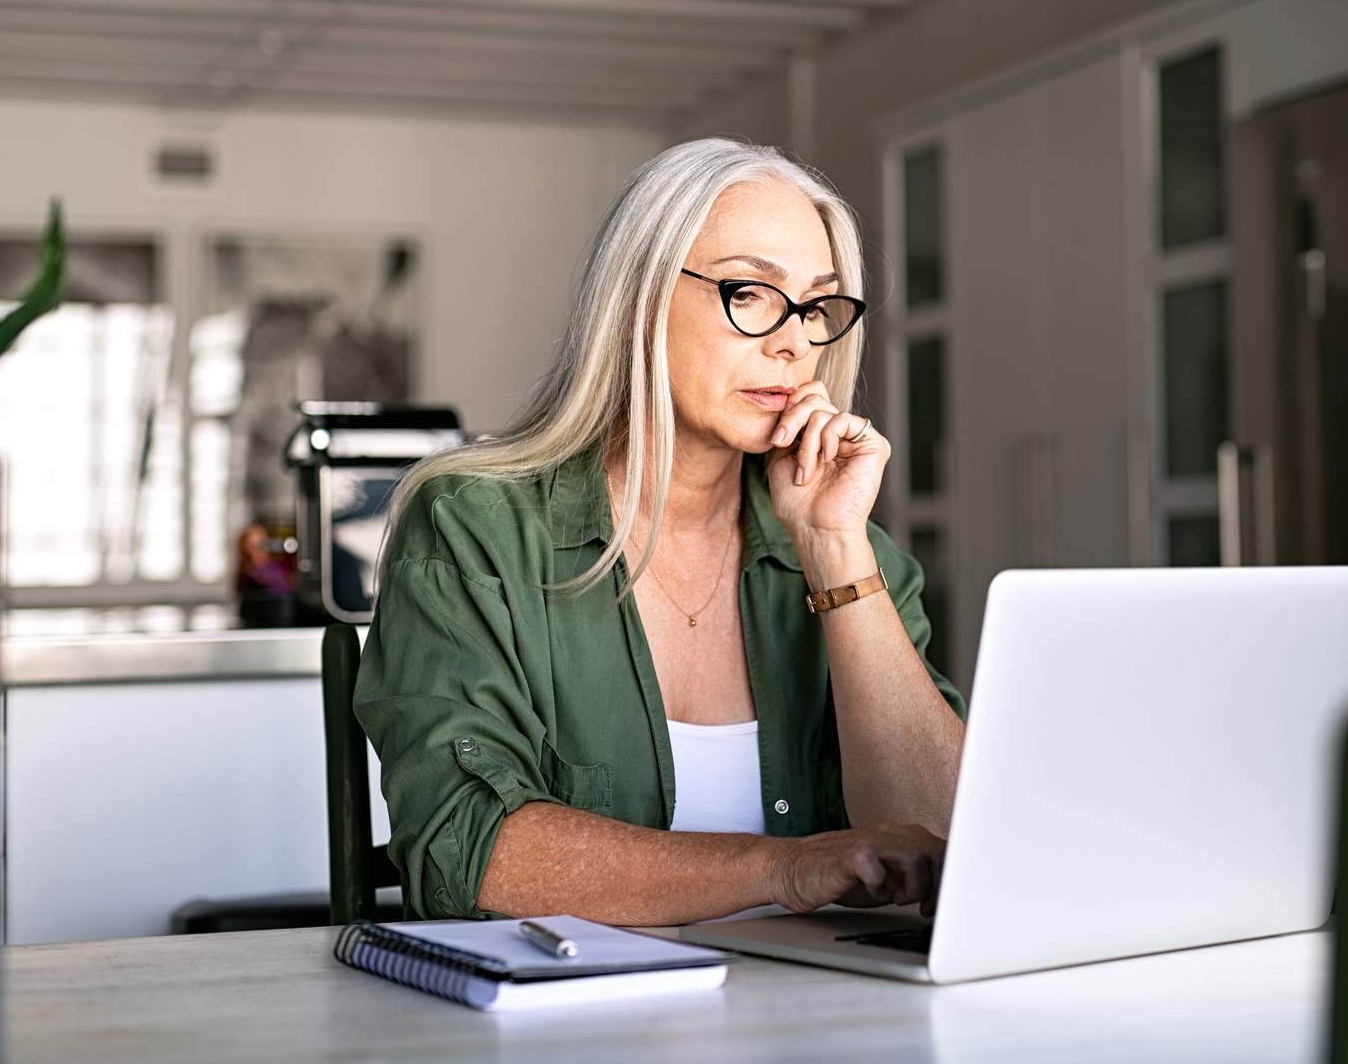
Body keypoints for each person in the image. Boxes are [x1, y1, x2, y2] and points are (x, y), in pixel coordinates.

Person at [356, 138, 966, 925]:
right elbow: (465, 851)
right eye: (750, 292)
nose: (796, 342)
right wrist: (786, 867)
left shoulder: (853, 554)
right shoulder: (475, 528)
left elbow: (952, 846)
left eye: (816, 306)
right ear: (640, 297)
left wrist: (834, 552)